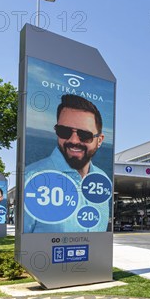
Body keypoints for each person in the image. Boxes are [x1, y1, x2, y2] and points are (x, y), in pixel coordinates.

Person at [24, 94, 110, 233]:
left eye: (84, 135)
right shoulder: (30, 178)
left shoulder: (102, 179)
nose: (74, 140)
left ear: (99, 140)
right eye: (64, 131)